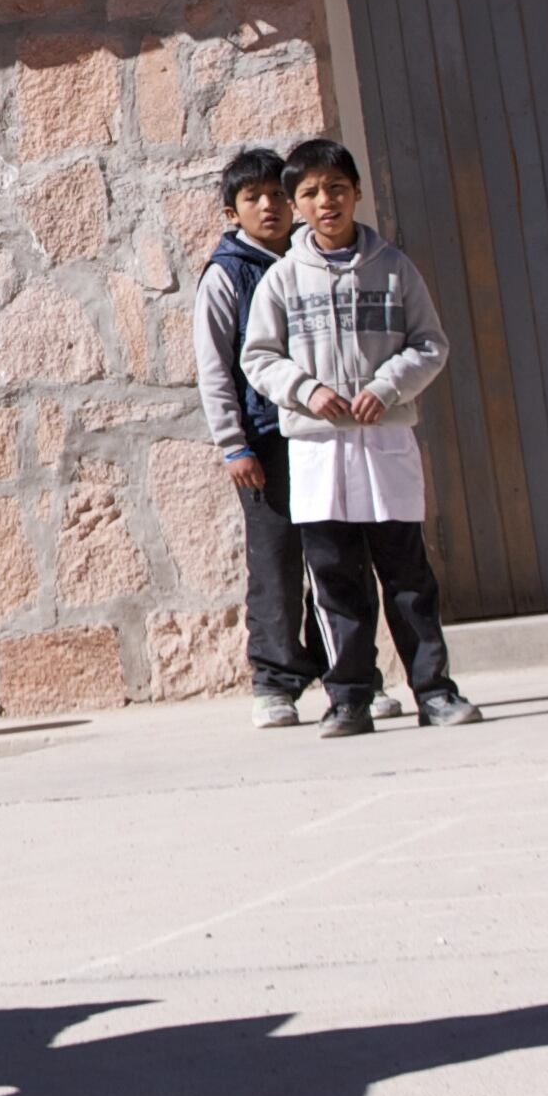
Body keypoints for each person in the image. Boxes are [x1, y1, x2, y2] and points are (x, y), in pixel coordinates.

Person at [239, 136, 475, 737]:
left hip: (385, 445)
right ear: (297, 204)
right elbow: (258, 357)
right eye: (311, 193)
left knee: (407, 575)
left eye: (336, 190)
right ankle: (350, 697)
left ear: (357, 194)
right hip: (318, 450)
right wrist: (307, 390)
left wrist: (389, 386)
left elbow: (431, 344)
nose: (326, 203)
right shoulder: (283, 281)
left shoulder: (395, 268)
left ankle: (435, 690)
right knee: (335, 577)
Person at [192, 146, 324, 727]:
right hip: (263, 441)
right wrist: (233, 444)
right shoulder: (227, 275)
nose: (268, 206)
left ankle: (346, 672)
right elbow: (214, 366)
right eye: (253, 199)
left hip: (320, 431)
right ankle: (274, 682)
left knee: (334, 555)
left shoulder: (311, 262)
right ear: (232, 212)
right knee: (275, 563)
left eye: (276, 195)